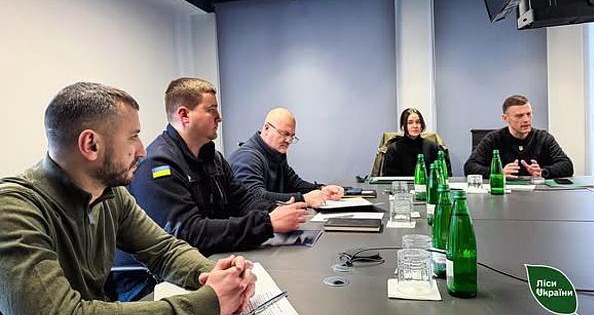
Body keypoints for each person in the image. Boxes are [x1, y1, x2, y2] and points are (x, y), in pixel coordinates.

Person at [0, 82, 255, 315]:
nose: (142, 151)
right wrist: (208, 302)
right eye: (133, 137)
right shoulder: (12, 211)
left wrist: (221, 276)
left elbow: (164, 250)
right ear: (91, 145)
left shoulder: (111, 194)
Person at [113, 78, 309, 299]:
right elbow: (190, 233)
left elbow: (242, 199)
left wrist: (275, 210)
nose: (219, 117)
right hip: (152, 284)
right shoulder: (158, 165)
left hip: (208, 260)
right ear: (184, 115)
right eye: (211, 110)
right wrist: (267, 223)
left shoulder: (212, 158)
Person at [228, 107, 345, 207]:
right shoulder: (246, 157)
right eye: (285, 134)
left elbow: (294, 183)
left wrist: (321, 189)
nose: (288, 140)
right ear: (267, 128)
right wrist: (303, 199)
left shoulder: (276, 152)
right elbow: (255, 197)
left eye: (292, 136)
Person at [463, 94, 573, 179]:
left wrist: (542, 172)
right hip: (504, 194)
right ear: (505, 118)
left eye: (528, 114)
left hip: (537, 194)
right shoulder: (493, 139)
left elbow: (567, 165)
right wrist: (498, 172)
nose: (526, 120)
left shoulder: (543, 138)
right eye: (519, 116)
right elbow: (470, 167)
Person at [382, 108, 451, 176]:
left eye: (418, 122)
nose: (415, 126)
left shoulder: (433, 147)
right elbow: (388, 177)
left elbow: (446, 174)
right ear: (403, 126)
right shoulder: (394, 149)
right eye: (410, 123)